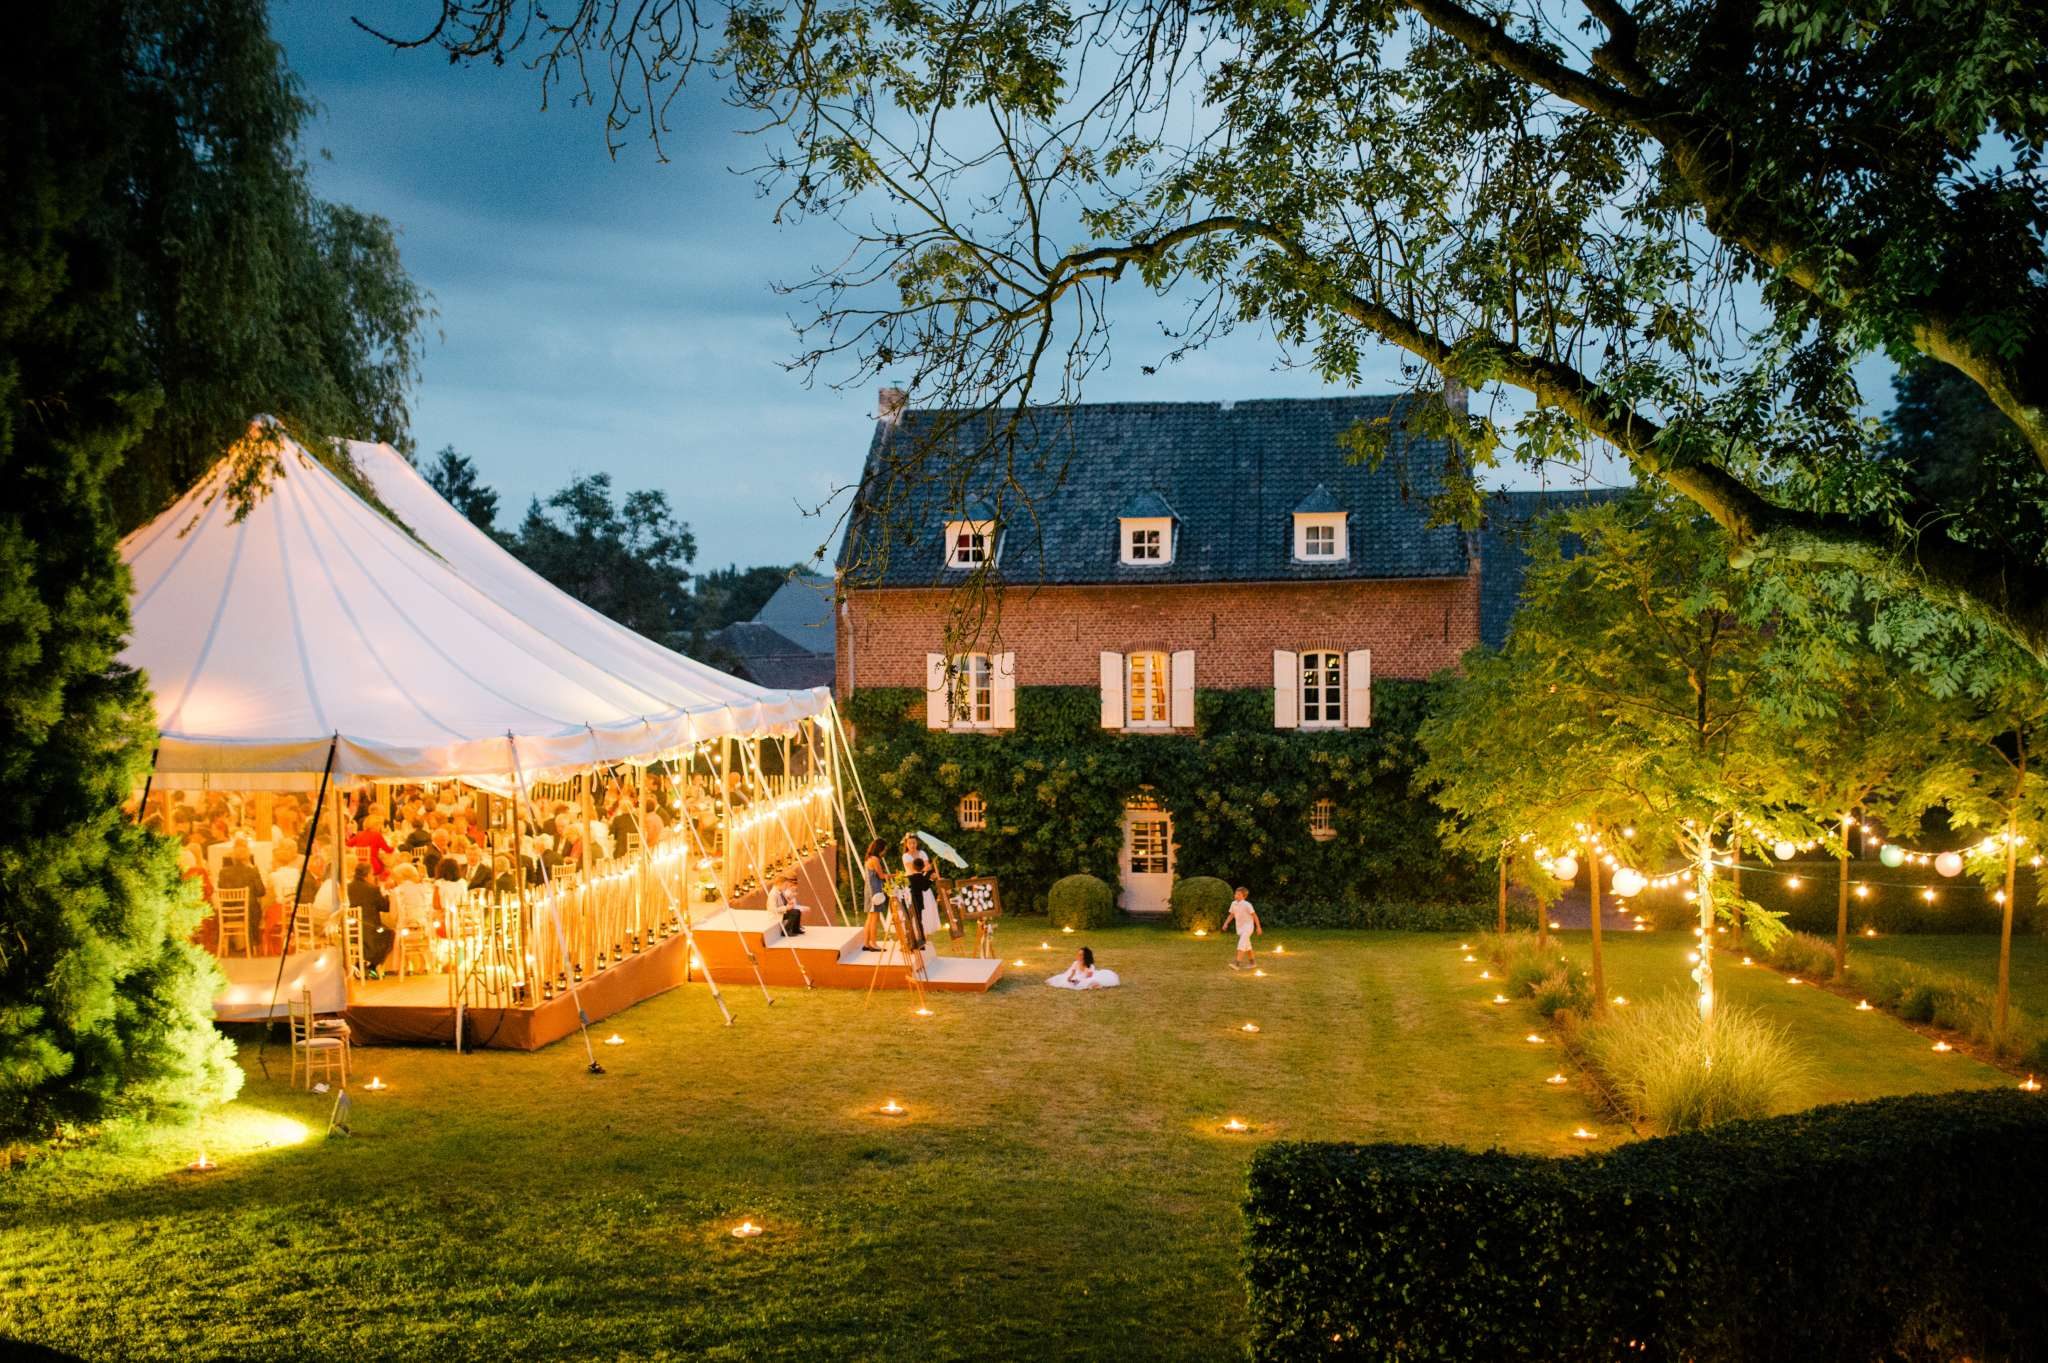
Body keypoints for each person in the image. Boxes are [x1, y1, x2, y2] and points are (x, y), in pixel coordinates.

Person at [347, 859, 393, 975]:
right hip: (370, 931)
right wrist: (388, 894)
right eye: (372, 874)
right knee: (390, 934)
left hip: (350, 929)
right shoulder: (372, 890)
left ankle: (362, 964)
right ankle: (371, 965)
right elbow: (385, 907)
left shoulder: (347, 888)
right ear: (367, 875)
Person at [860, 838, 890, 954]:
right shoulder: (875, 859)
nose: (884, 852)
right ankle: (873, 943)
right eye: (884, 850)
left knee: (870, 917)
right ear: (880, 849)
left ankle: (866, 943)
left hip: (869, 891)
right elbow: (882, 876)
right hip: (875, 891)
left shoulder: (868, 858)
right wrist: (894, 875)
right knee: (874, 918)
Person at [348, 812, 396, 881]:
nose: (380, 827)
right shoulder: (377, 835)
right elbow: (388, 850)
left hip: (359, 865)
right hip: (373, 865)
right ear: (376, 825)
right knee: (387, 865)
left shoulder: (359, 834)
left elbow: (348, 844)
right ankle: (379, 885)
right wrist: (394, 846)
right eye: (380, 825)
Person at [1047, 945, 1121, 990]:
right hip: (1077, 978)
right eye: (1078, 954)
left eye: (1081, 955)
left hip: (1086, 978)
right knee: (1070, 982)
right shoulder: (1075, 963)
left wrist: (1085, 969)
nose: (1079, 957)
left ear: (1086, 956)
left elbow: (1089, 976)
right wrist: (1070, 978)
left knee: (1092, 981)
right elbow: (1072, 973)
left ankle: (1092, 985)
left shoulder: (1090, 966)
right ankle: (1088, 985)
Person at [1224, 886, 1262, 970]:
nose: (1236, 895)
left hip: (1248, 927)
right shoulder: (1233, 904)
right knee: (1247, 945)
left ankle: (1237, 964)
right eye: (1236, 894)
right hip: (1240, 928)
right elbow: (1231, 915)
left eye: (1238, 894)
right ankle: (1253, 963)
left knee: (1241, 944)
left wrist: (1258, 927)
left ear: (1244, 896)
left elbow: (1254, 916)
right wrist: (1226, 923)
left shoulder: (1247, 905)